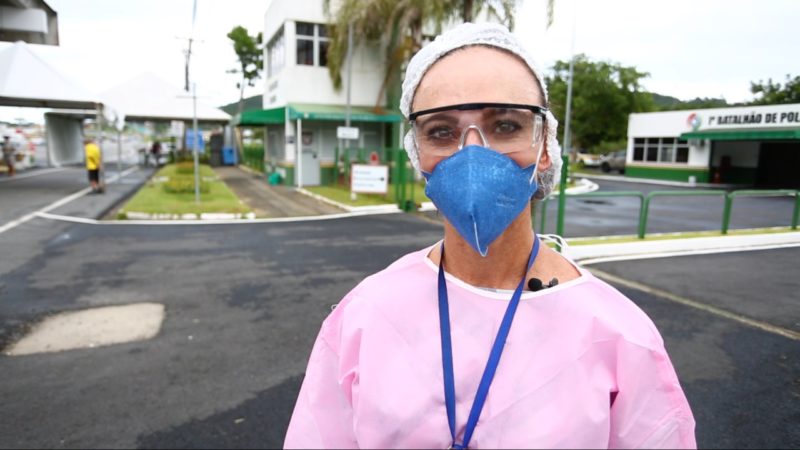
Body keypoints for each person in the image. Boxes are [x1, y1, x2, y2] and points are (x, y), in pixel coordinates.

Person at [284, 23, 696, 449]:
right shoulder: (364, 316)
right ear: (416, 153)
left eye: (504, 125)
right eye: (441, 131)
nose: (473, 153)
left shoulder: (620, 336)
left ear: (544, 145)